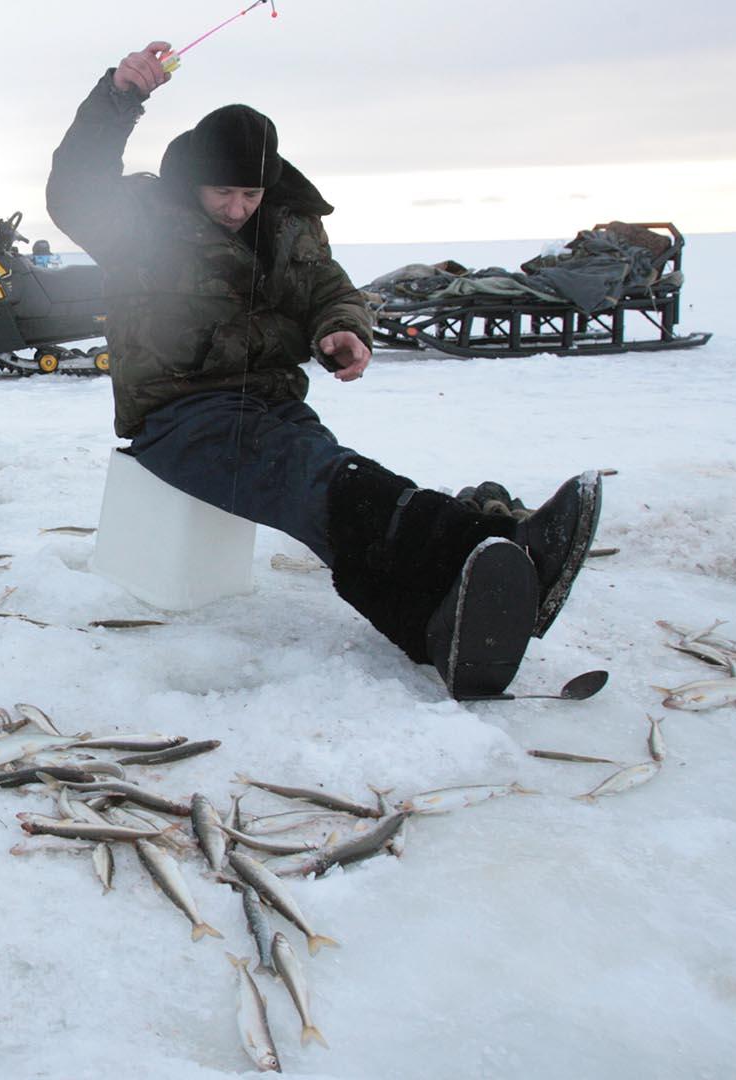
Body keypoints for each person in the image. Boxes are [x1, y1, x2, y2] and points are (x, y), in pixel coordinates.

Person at [46, 43, 601, 699]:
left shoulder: (291, 226)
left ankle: (433, 621)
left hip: (272, 402)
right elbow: (74, 190)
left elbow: (332, 291)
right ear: (194, 178)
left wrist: (343, 329)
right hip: (179, 412)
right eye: (223, 192)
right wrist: (120, 97)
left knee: (336, 498)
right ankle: (495, 543)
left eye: (250, 193)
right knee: (320, 480)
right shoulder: (140, 220)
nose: (237, 208)